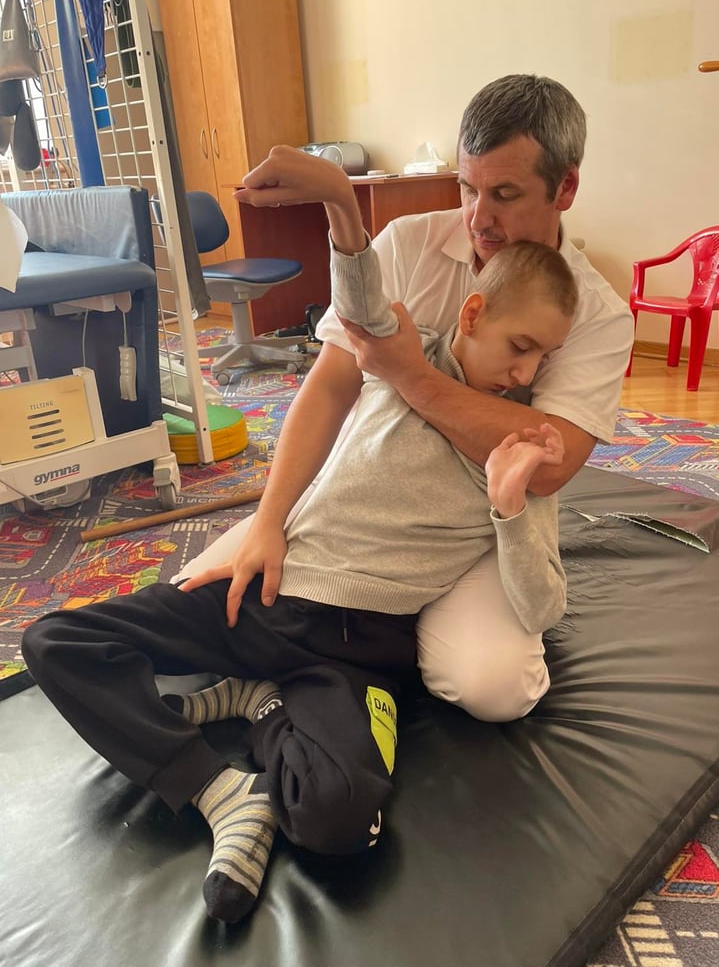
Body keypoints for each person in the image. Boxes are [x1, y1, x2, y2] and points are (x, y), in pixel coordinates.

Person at [22, 237, 574, 926]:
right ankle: (222, 793)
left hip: (357, 652)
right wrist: (339, 210)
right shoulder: (405, 358)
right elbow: (359, 293)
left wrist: (509, 509)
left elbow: (543, 606)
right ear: (472, 314)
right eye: (520, 346)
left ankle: (261, 702)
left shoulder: (520, 443)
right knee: (54, 641)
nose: (526, 373)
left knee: (339, 822)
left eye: (545, 357)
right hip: (267, 594)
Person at [178, 73, 635, 721]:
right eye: (468, 188)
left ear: (565, 189)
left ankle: (392, 628)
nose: (479, 218)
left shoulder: (598, 313)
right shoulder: (407, 243)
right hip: (365, 498)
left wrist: (411, 375)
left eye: (505, 195)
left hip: (477, 528)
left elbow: (549, 467)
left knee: (495, 689)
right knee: (198, 616)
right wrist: (270, 521)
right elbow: (331, 386)